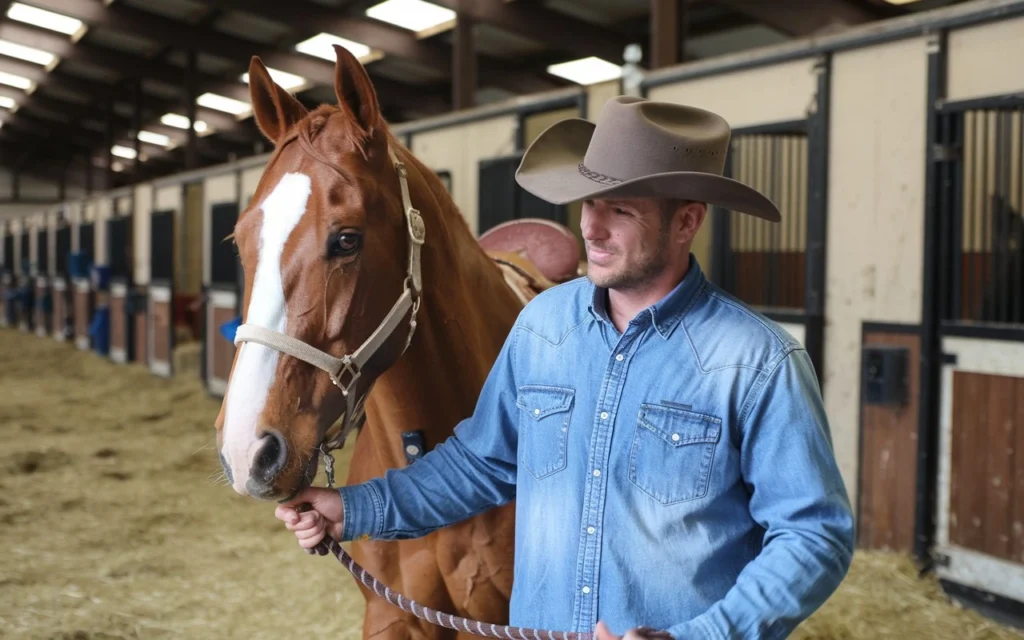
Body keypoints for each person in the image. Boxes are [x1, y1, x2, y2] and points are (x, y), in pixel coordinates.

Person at [276, 96, 856, 640]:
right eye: (590, 203)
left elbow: (813, 535)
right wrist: (354, 508)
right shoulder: (543, 325)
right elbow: (483, 462)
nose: (591, 228)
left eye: (620, 210)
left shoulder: (756, 360)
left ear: (687, 222)